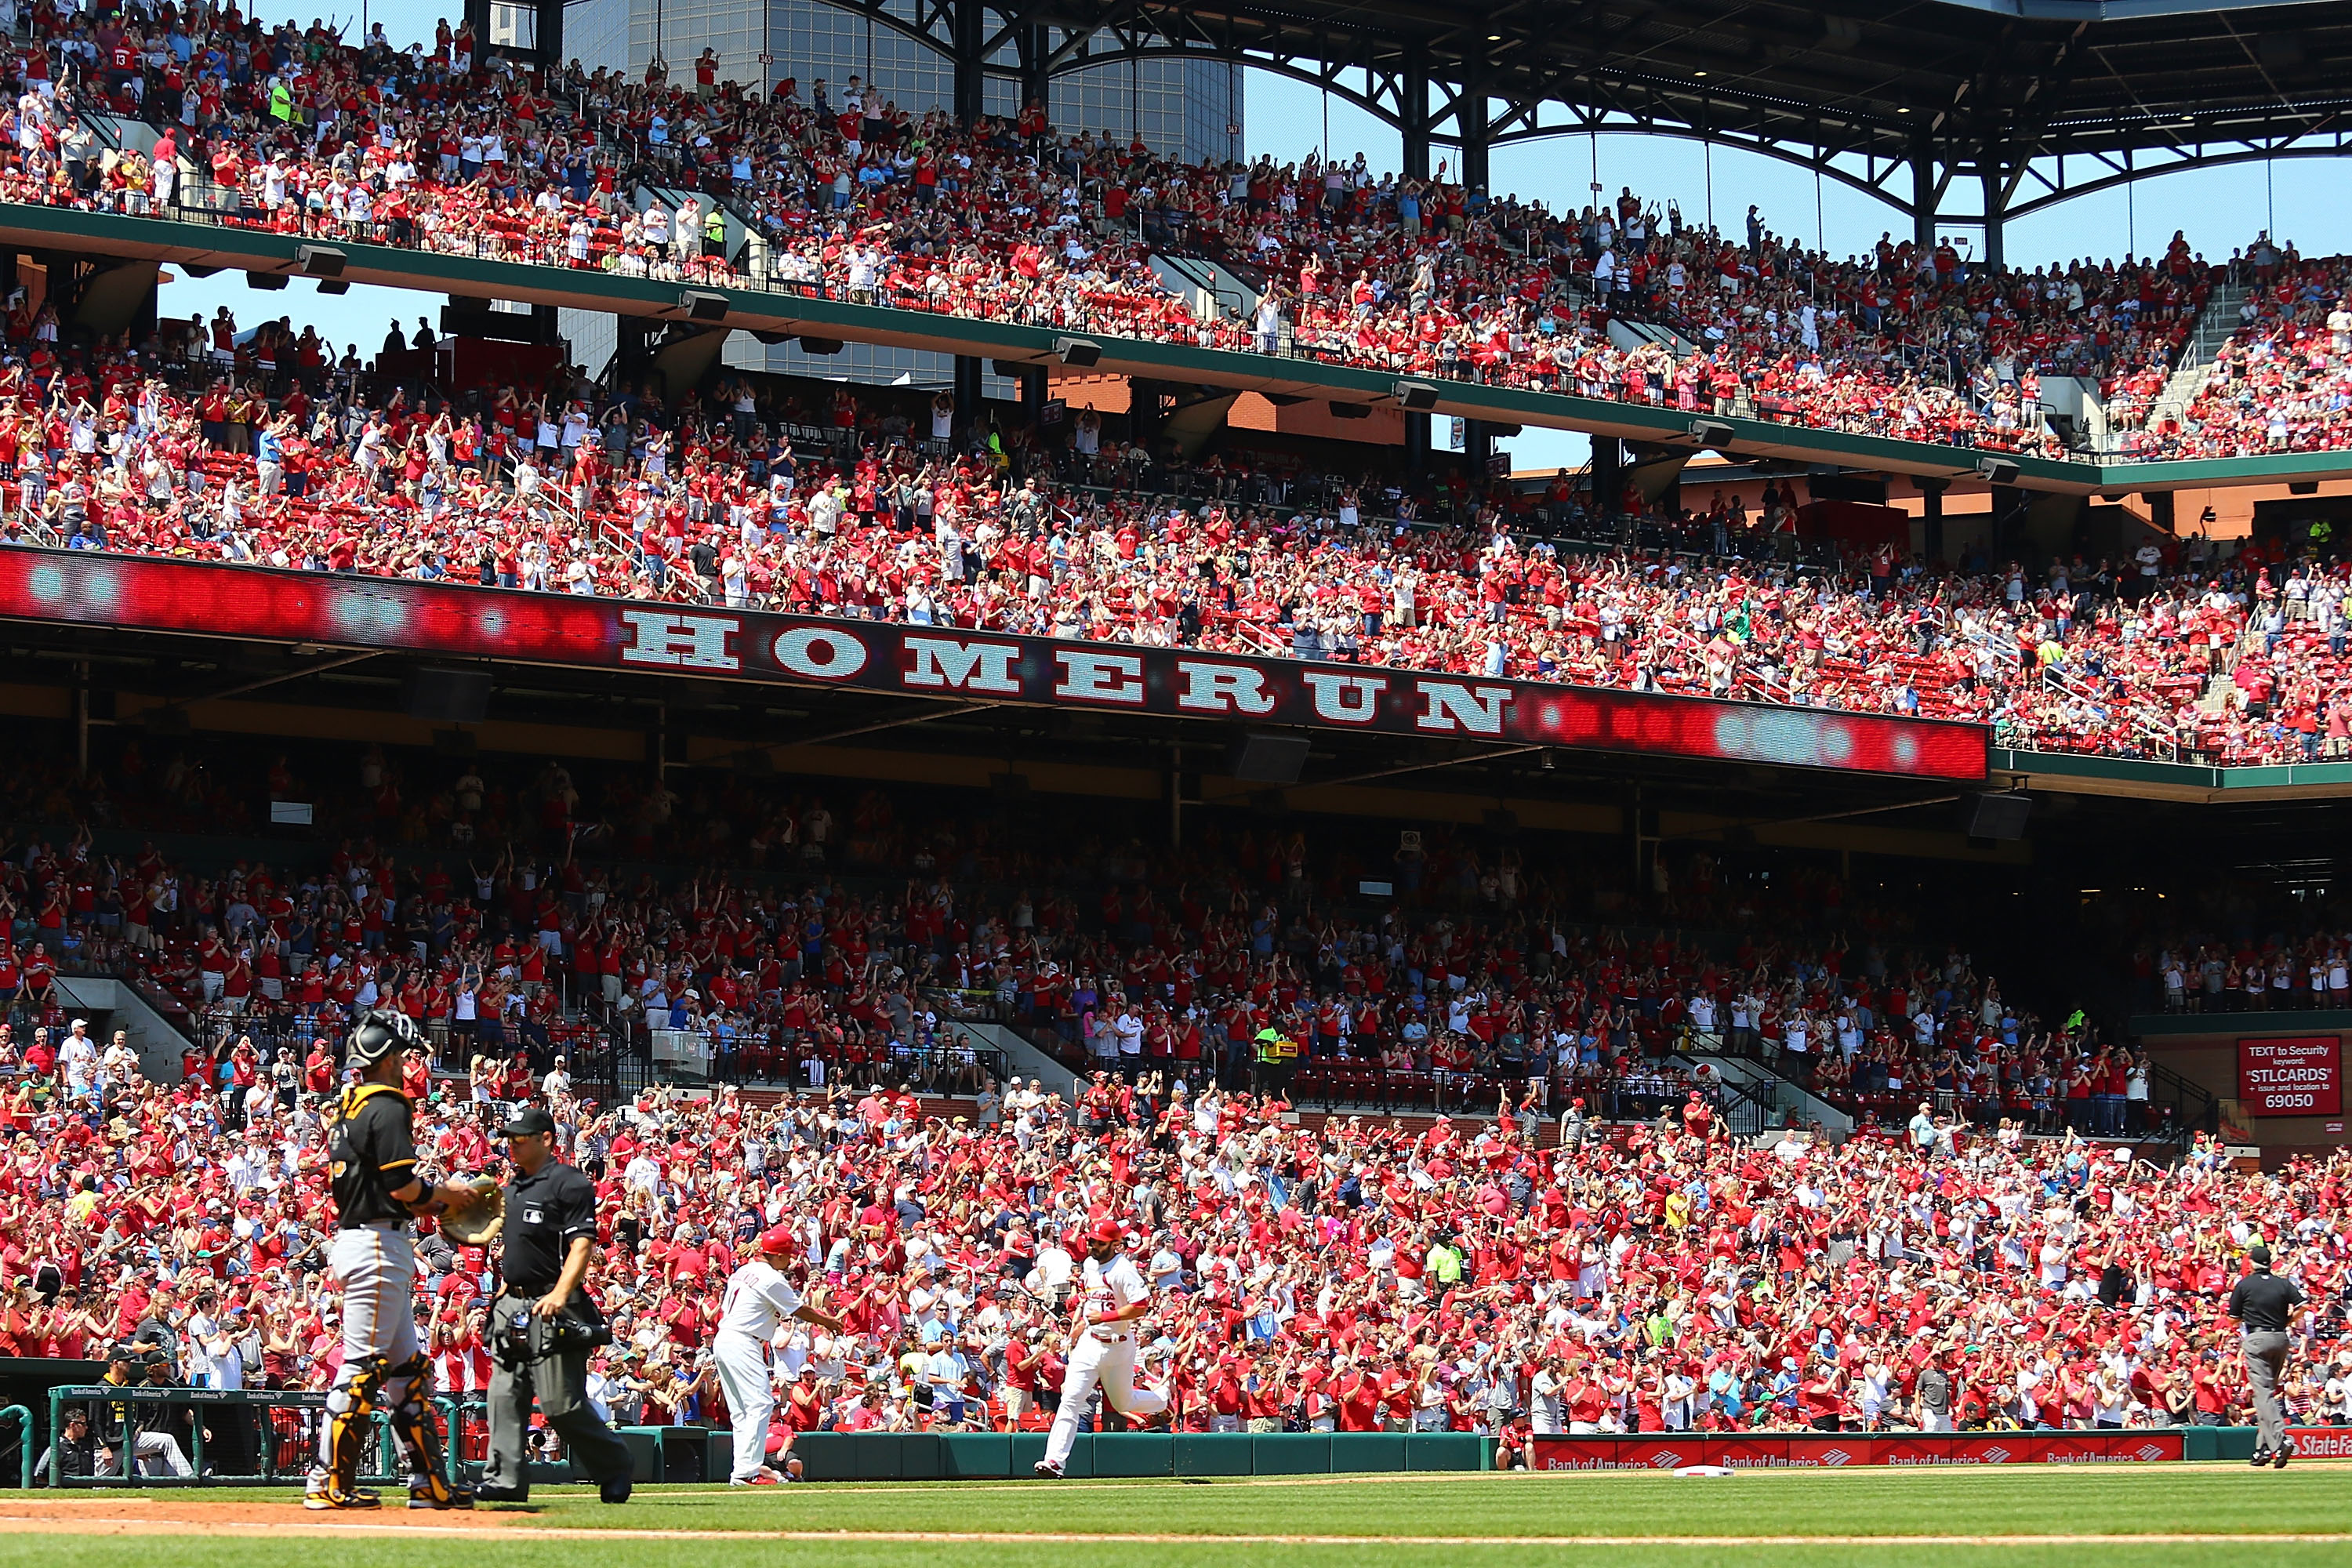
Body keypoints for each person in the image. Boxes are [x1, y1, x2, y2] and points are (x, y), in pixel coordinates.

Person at [308, 1009, 481, 1511]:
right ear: (387, 1058)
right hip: (377, 1244)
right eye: (402, 1054)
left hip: (366, 1239)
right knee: (362, 1366)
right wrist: (447, 1195)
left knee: (408, 1371)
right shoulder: (386, 1104)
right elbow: (402, 1186)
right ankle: (326, 1480)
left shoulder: (351, 1105)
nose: (407, 1062)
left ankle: (428, 1482)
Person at [474, 1106, 635, 1504]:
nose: (512, 1144)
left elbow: (582, 1243)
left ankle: (614, 1465)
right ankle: (505, 1480)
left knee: (560, 1405)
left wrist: (562, 1292)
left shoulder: (568, 1182)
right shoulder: (513, 1188)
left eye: (520, 1138)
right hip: (513, 1302)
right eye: (509, 1138)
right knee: (503, 1394)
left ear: (546, 1139)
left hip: (554, 1301)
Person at [712, 1225, 845, 1485]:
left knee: (743, 1411)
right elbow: (800, 1310)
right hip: (743, 1340)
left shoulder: (744, 1270)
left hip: (726, 1339)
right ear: (780, 1256)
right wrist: (828, 1322)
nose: (791, 1259)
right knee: (761, 1404)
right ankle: (748, 1471)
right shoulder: (770, 1278)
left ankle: (743, 1470)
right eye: (789, 1254)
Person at [1035, 1218, 1167, 1479]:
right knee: (1070, 1399)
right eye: (1093, 1240)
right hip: (1090, 1342)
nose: (1093, 1245)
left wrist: (1105, 1318)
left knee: (1123, 1402)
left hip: (1118, 1345)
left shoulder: (1123, 1269)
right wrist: (1081, 1324)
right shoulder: (1089, 1264)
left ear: (1116, 1244)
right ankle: (1054, 1461)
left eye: (1100, 1242)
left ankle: (1162, 1400)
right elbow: (1092, 1300)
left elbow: (1141, 1305)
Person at [2230, 1242, 2306, 1468]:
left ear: (2252, 1263)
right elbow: (2303, 1305)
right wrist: (2288, 1321)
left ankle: (2280, 1443)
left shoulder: (2245, 1284)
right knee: (2266, 1396)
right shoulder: (2282, 1283)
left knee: (2262, 1396)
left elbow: (2233, 1318)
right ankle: (2262, 1450)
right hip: (2281, 1338)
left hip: (2257, 1338)